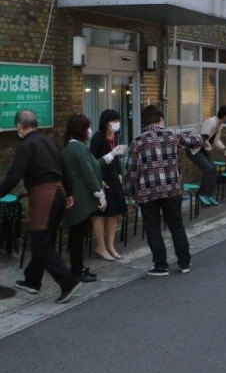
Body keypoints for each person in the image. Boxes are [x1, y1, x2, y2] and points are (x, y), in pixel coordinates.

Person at [0, 110, 80, 304]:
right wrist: (69, 194)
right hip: (59, 193)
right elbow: (65, 169)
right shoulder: (49, 141)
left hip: (44, 196)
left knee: (40, 243)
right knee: (45, 240)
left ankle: (68, 282)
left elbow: (14, 174)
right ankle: (32, 280)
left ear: (19, 126)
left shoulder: (27, 144)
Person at [125, 105, 202, 277]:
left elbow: (131, 170)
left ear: (144, 122)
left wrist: (128, 191)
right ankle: (184, 263)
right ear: (160, 119)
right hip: (171, 188)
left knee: (153, 228)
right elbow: (194, 142)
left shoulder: (137, 141)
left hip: (148, 191)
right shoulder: (173, 135)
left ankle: (161, 265)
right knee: (176, 225)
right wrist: (200, 136)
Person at [61, 114, 105, 283]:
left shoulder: (72, 147)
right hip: (79, 200)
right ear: (81, 131)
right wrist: (99, 194)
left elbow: (93, 165)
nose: (89, 131)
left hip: (76, 198)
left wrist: (112, 155)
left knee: (77, 235)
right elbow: (88, 172)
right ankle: (77, 270)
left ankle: (78, 268)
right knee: (78, 236)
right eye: (87, 127)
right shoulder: (78, 148)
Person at [88, 109, 128, 261]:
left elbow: (116, 157)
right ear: (106, 122)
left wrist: (119, 173)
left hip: (113, 176)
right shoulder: (98, 138)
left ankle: (110, 245)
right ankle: (101, 247)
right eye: (114, 120)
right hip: (101, 176)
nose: (117, 123)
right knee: (101, 214)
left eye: (118, 120)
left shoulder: (115, 135)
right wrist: (98, 180)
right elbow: (92, 161)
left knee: (114, 213)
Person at [188, 105, 226, 205]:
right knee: (208, 169)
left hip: (201, 148)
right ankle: (202, 194)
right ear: (225, 116)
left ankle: (209, 195)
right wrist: (209, 147)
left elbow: (216, 140)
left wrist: (223, 148)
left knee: (214, 170)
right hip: (193, 148)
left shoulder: (219, 125)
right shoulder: (210, 122)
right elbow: (202, 138)